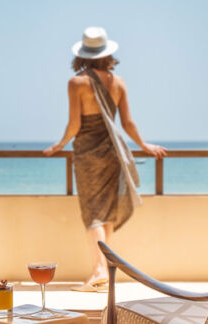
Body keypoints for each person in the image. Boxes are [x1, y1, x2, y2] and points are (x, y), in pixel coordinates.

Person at [44, 27, 167, 291]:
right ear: (107, 53)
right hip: (113, 152)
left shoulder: (76, 83)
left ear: (84, 55)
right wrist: (145, 145)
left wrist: (59, 145)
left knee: (93, 214)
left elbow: (75, 125)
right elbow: (129, 123)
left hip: (88, 153)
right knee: (107, 212)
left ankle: (99, 270)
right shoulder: (119, 83)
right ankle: (103, 270)